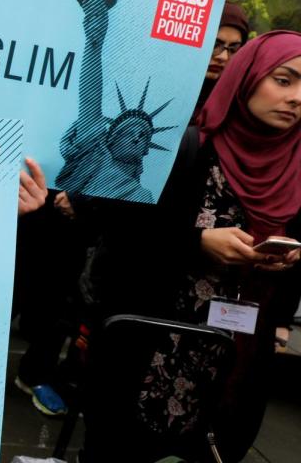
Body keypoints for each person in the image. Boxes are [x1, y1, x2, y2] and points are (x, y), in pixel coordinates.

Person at [82, 31, 301, 463]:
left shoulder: (297, 168)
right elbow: (120, 233)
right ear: (248, 75)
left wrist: (293, 257)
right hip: (153, 346)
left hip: (235, 363)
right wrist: (197, 242)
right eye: (284, 79)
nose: (297, 98)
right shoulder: (185, 149)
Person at [193, 2, 250, 119]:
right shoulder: (158, 86)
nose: (223, 57)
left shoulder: (238, 106)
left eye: (233, 49)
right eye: (214, 45)